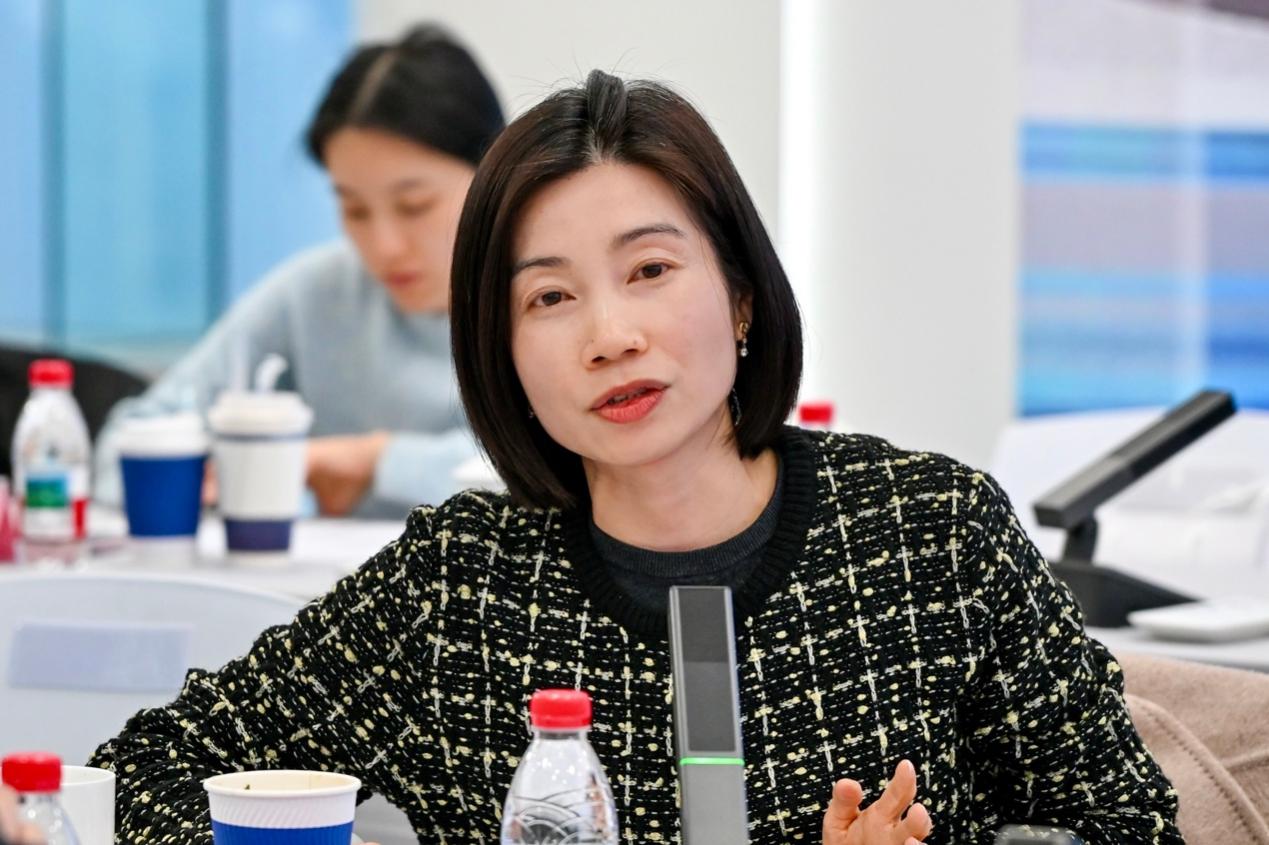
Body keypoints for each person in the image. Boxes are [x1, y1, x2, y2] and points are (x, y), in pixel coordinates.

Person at [77, 71, 1182, 844]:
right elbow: (149, 768)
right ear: (503, 354)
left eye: (650, 271)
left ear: (740, 294)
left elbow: (1125, 822)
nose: (609, 335)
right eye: (549, 297)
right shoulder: (461, 583)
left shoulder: (928, 531)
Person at [93, 24, 505, 518]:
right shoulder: (316, 295)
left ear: (493, 172)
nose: (385, 246)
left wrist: (378, 462)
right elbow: (126, 445)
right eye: (354, 210)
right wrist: (197, 472)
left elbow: (572, 472)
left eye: (414, 205)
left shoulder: (546, 293)